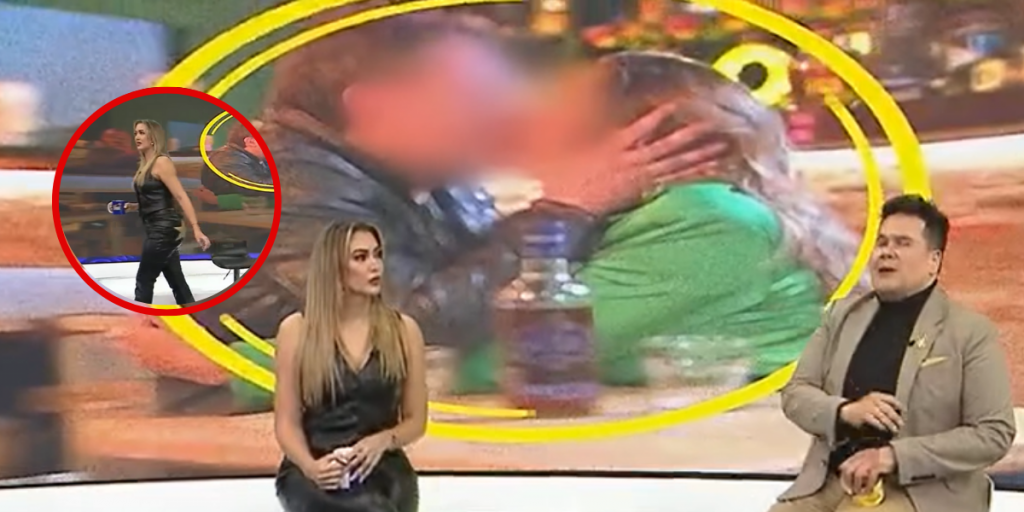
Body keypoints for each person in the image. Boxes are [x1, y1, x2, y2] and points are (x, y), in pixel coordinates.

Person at [197, 9, 724, 347]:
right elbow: (401, 329)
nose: (508, 115)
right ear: (374, 105)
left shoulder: (439, 184)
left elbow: (478, 287)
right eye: (476, 98)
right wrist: (564, 212)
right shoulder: (274, 182)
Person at [457, 52, 861, 390]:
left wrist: (565, 207)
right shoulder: (665, 212)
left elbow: (506, 365)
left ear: (637, 140)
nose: (527, 117)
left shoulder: (705, 220)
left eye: (559, 107)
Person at [729, 195, 1016, 512]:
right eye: (882, 242)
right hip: (833, 481)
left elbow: (994, 433)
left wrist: (892, 456)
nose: (886, 252)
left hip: (922, 492)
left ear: (934, 261)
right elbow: (796, 394)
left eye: (903, 243)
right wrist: (845, 411)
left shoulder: (969, 333)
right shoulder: (841, 316)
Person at [274, 221, 431, 512]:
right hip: (313, 471)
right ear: (334, 267)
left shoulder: (403, 331)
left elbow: (416, 421)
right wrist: (312, 468)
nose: (374, 265)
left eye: (377, 255)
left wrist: (382, 440)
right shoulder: (297, 331)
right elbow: (286, 423)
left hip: (385, 468)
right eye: (360, 257)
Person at [122, 119, 211, 305]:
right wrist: (133, 206)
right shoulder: (145, 165)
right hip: (155, 226)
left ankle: (141, 318)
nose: (137, 137)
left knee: (144, 280)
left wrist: (196, 228)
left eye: (142, 133)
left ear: (153, 137)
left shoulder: (161, 162)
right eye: (136, 133)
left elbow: (180, 196)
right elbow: (156, 198)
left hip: (165, 228)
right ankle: (192, 311)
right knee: (176, 279)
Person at [198, 118, 272, 205]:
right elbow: (258, 188)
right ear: (251, 142)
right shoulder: (227, 158)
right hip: (226, 213)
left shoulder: (260, 159)